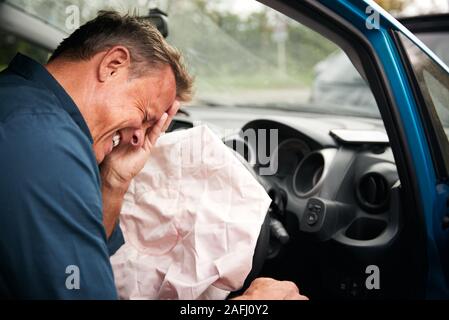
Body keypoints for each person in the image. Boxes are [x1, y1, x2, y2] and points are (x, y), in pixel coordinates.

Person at [0, 11, 307, 300]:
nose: (139, 138)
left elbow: (80, 268)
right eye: (146, 116)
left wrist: (115, 181)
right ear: (113, 64)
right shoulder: (47, 142)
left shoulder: (19, 102)